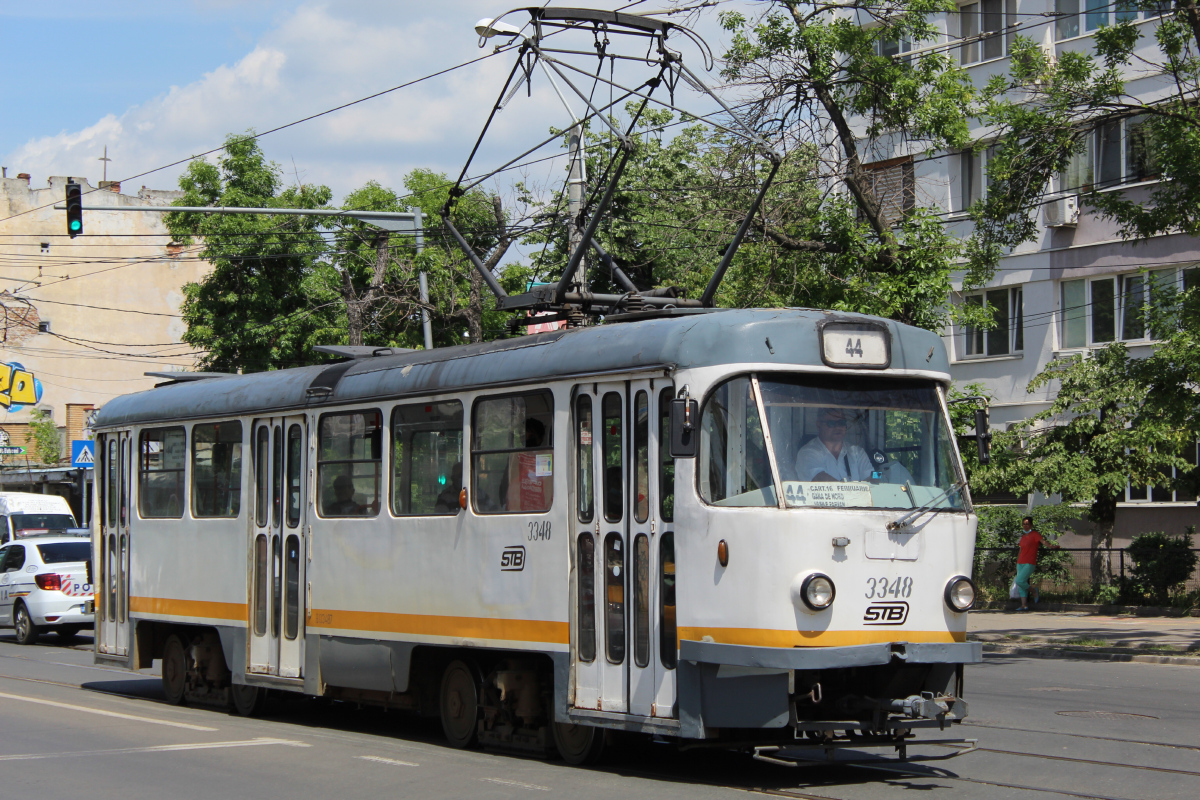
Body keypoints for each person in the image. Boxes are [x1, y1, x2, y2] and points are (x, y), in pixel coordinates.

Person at [794, 407, 873, 483]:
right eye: (831, 423)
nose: (838, 427)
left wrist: (877, 476)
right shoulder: (807, 453)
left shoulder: (857, 452)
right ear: (818, 425)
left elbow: (872, 476)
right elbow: (819, 479)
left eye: (841, 423)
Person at [1014, 515, 1044, 611]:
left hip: (1029, 562)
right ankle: (1024, 605)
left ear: (1031, 525)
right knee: (1021, 584)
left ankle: (1034, 591)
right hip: (1020, 562)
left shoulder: (1035, 534)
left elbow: (1043, 542)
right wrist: (1017, 561)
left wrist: (1052, 546)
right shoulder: (1023, 537)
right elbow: (1020, 550)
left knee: (1019, 581)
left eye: (1027, 524)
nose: (1025, 526)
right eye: (1024, 524)